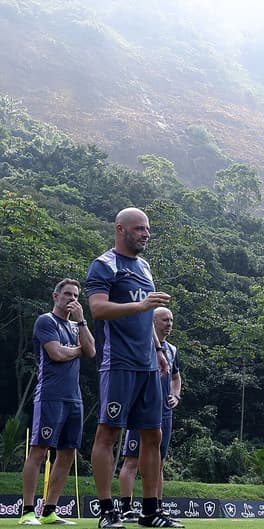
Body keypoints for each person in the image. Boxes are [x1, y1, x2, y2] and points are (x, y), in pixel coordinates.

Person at [86, 208, 180, 529]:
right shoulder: (105, 265)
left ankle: (151, 510)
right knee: (108, 433)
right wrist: (140, 305)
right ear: (120, 229)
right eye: (139, 229)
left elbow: (147, 315)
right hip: (118, 363)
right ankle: (107, 511)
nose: (145, 234)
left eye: (147, 229)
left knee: (152, 436)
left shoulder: (144, 266)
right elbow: (97, 309)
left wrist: (158, 349)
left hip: (147, 365)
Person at [19, 279, 96, 526]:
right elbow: (57, 353)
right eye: (67, 294)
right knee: (39, 450)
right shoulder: (46, 321)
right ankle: (28, 511)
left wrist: (82, 321)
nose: (71, 299)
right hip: (50, 395)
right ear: (56, 296)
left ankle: (50, 510)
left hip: (74, 398)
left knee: (68, 453)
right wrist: (76, 350)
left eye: (75, 295)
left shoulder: (76, 326)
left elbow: (92, 351)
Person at [119, 308, 182, 522]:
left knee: (159, 461)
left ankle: (156, 508)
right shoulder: (143, 344)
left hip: (164, 412)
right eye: (165, 319)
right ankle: (126, 507)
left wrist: (176, 395)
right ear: (153, 321)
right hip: (143, 409)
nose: (169, 323)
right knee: (132, 460)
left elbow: (175, 377)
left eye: (171, 320)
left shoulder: (172, 349)